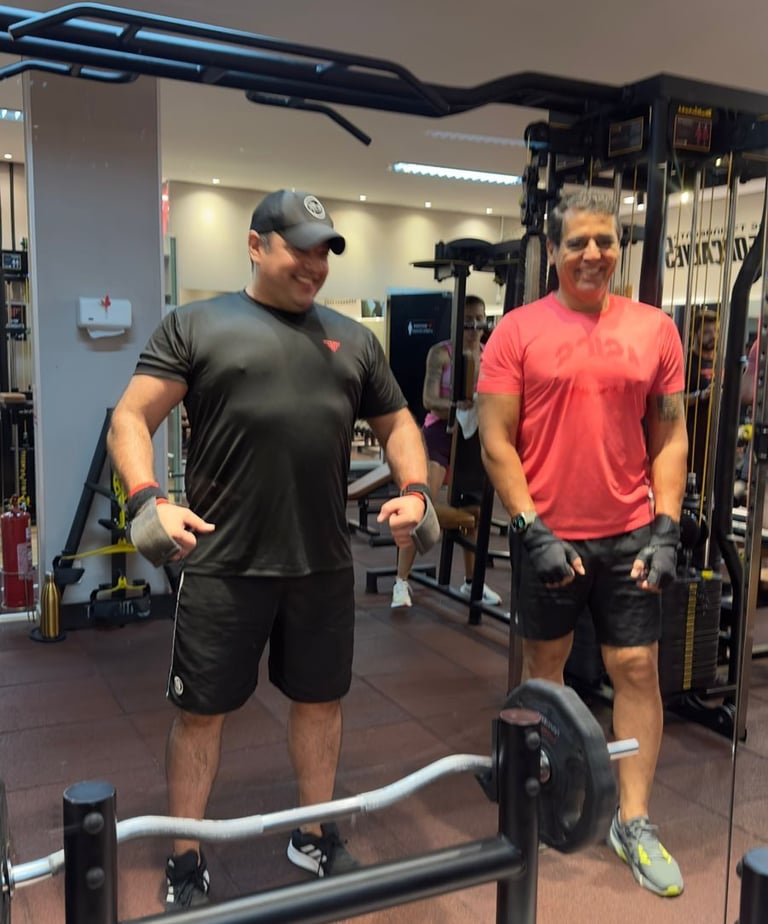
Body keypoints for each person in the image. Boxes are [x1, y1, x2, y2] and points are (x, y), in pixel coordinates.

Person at [107, 189, 435, 911]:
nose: (314, 265)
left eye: (324, 252)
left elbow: (401, 424)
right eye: (299, 249)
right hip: (223, 563)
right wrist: (146, 498)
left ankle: (312, 835)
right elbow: (130, 417)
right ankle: (186, 857)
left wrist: (415, 488)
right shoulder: (197, 324)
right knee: (201, 715)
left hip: (322, 562)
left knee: (321, 704)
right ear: (256, 246)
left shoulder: (354, 340)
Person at [477, 188, 688, 898]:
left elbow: (670, 434)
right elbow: (496, 439)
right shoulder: (517, 332)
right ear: (553, 250)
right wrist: (528, 527)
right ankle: (548, 790)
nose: (593, 254)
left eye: (605, 241)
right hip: (550, 530)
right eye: (578, 242)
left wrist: (667, 526)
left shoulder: (655, 330)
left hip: (629, 531)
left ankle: (634, 820)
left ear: (618, 247)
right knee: (546, 669)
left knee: (636, 667)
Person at [391, 295, 502, 608]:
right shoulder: (441, 354)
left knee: (475, 513)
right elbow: (428, 400)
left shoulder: (490, 355)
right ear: (457, 322)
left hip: (472, 438)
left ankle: (471, 582)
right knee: (420, 504)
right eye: (468, 321)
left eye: (479, 320)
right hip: (440, 433)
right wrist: (457, 405)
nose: (474, 327)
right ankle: (401, 582)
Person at [684, 308, 717, 493]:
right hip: (691, 442)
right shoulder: (686, 361)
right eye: (706, 332)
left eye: (715, 331)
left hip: (714, 443)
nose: (713, 336)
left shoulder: (720, 362)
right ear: (694, 333)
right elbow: (672, 401)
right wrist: (701, 396)